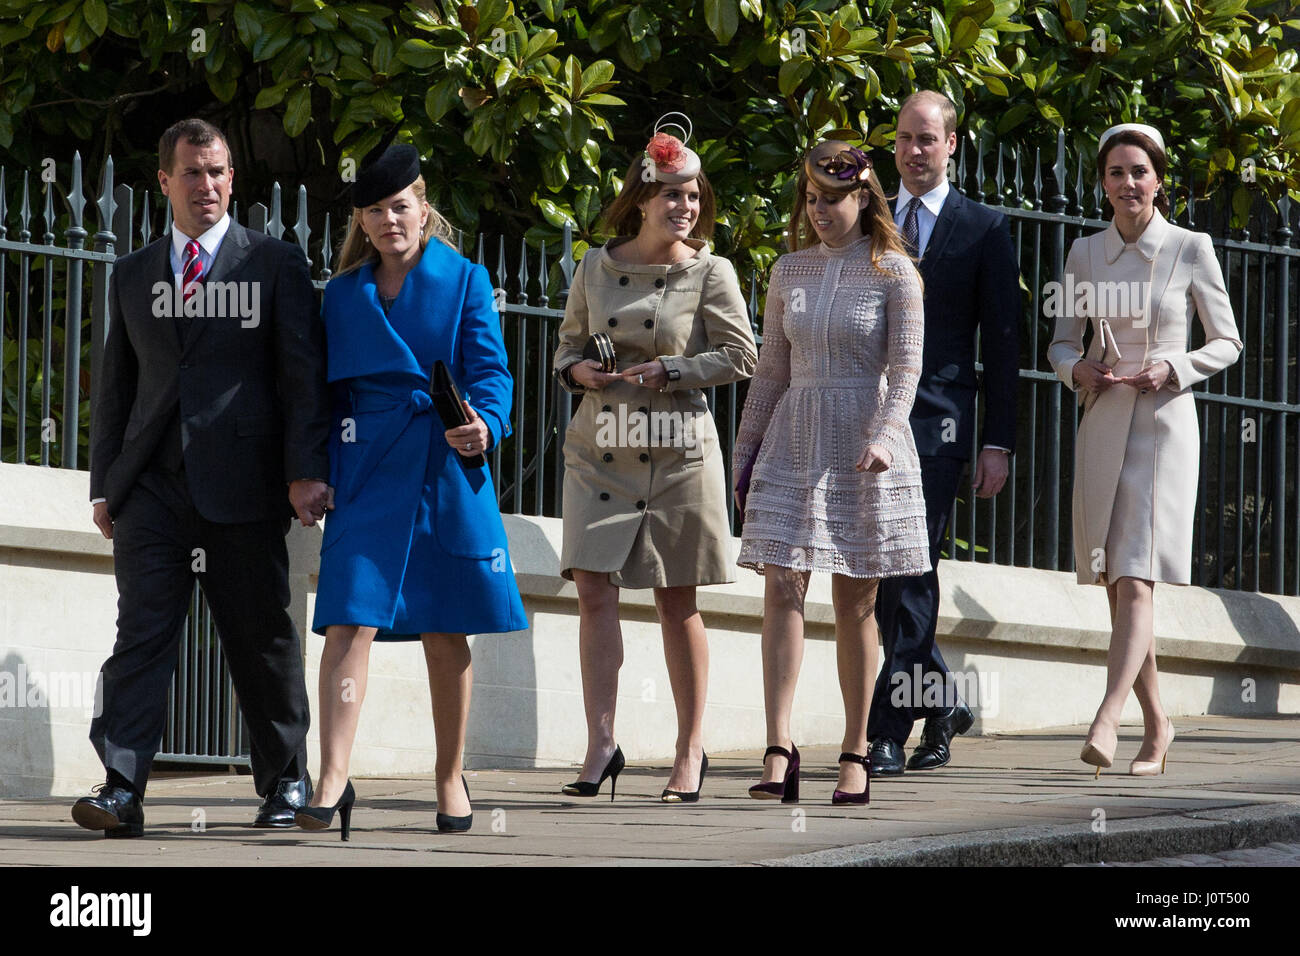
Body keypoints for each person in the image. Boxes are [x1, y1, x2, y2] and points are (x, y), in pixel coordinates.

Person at [77, 118, 331, 837]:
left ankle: (284, 783)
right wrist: (105, 486)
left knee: (261, 641)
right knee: (141, 639)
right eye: (192, 172)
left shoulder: (274, 265)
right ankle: (122, 788)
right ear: (164, 182)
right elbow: (116, 389)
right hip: (153, 490)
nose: (208, 185)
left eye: (218, 171)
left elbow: (302, 378)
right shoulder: (132, 273)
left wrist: (307, 470)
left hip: (244, 488)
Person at [298, 144, 528, 839]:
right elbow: (317, 394)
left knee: (443, 622)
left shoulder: (465, 279)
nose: (390, 219)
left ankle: (449, 775)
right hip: (364, 471)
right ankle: (333, 778)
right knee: (347, 619)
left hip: (443, 470)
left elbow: (492, 374)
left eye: (401, 206)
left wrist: (483, 426)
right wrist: (312, 470)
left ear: (423, 207)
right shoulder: (340, 295)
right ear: (362, 221)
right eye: (375, 210)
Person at [553, 114, 757, 803]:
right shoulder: (595, 265)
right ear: (641, 198)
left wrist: (670, 370)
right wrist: (580, 372)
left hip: (677, 452)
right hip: (600, 449)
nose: (684, 206)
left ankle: (689, 751)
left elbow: (740, 357)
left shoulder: (712, 271)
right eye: (671, 193)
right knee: (593, 592)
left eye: (694, 195)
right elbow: (566, 350)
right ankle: (601, 745)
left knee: (677, 601)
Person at [734, 140, 930, 806]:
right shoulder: (788, 269)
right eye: (811, 199)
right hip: (794, 435)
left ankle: (855, 749)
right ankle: (779, 747)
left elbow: (905, 370)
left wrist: (884, 435)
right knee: (782, 585)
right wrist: (744, 450)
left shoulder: (895, 273)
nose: (820, 210)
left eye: (833, 199)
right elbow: (770, 371)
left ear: (864, 198)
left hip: (862, 441)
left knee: (856, 601)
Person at [1048, 123, 1240, 776]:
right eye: (1115, 173)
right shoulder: (1083, 254)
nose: (1127, 183)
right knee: (1115, 580)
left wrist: (1173, 368)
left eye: (1139, 172)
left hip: (1164, 424)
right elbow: (1060, 342)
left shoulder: (1191, 247)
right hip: (1103, 421)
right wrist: (1079, 371)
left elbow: (1228, 341)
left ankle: (1106, 717)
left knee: (1136, 576)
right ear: (1101, 183)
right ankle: (1159, 725)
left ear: (1159, 178)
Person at [867, 90, 1021, 777]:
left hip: (941, 424)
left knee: (909, 567)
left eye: (927, 139)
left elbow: (1006, 343)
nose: (912, 151)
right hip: (867, 420)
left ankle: (886, 731)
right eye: (904, 138)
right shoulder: (870, 219)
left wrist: (999, 441)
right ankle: (944, 699)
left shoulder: (984, 227)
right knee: (888, 577)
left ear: (952, 143)